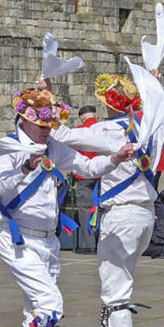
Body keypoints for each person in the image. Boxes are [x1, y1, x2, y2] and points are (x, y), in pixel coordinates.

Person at [0, 87, 131, 327]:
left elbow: (87, 167)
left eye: (50, 126)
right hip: (18, 239)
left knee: (36, 310)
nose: (47, 131)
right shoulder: (6, 146)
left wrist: (114, 159)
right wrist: (26, 165)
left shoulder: (54, 146)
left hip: (48, 242)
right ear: (25, 120)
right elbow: (2, 187)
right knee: (50, 303)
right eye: (42, 125)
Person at [52, 72, 164, 327]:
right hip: (145, 215)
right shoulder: (155, 126)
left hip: (121, 216)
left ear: (108, 104)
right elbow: (162, 109)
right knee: (119, 285)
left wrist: (44, 101)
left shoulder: (106, 130)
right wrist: (154, 86)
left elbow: (63, 135)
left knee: (116, 294)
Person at [72, 105, 99, 254]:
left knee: (84, 208)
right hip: (102, 173)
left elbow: (72, 153)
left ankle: (89, 244)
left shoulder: (80, 130)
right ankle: (101, 240)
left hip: (84, 174)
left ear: (82, 116)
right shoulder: (102, 128)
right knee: (101, 208)